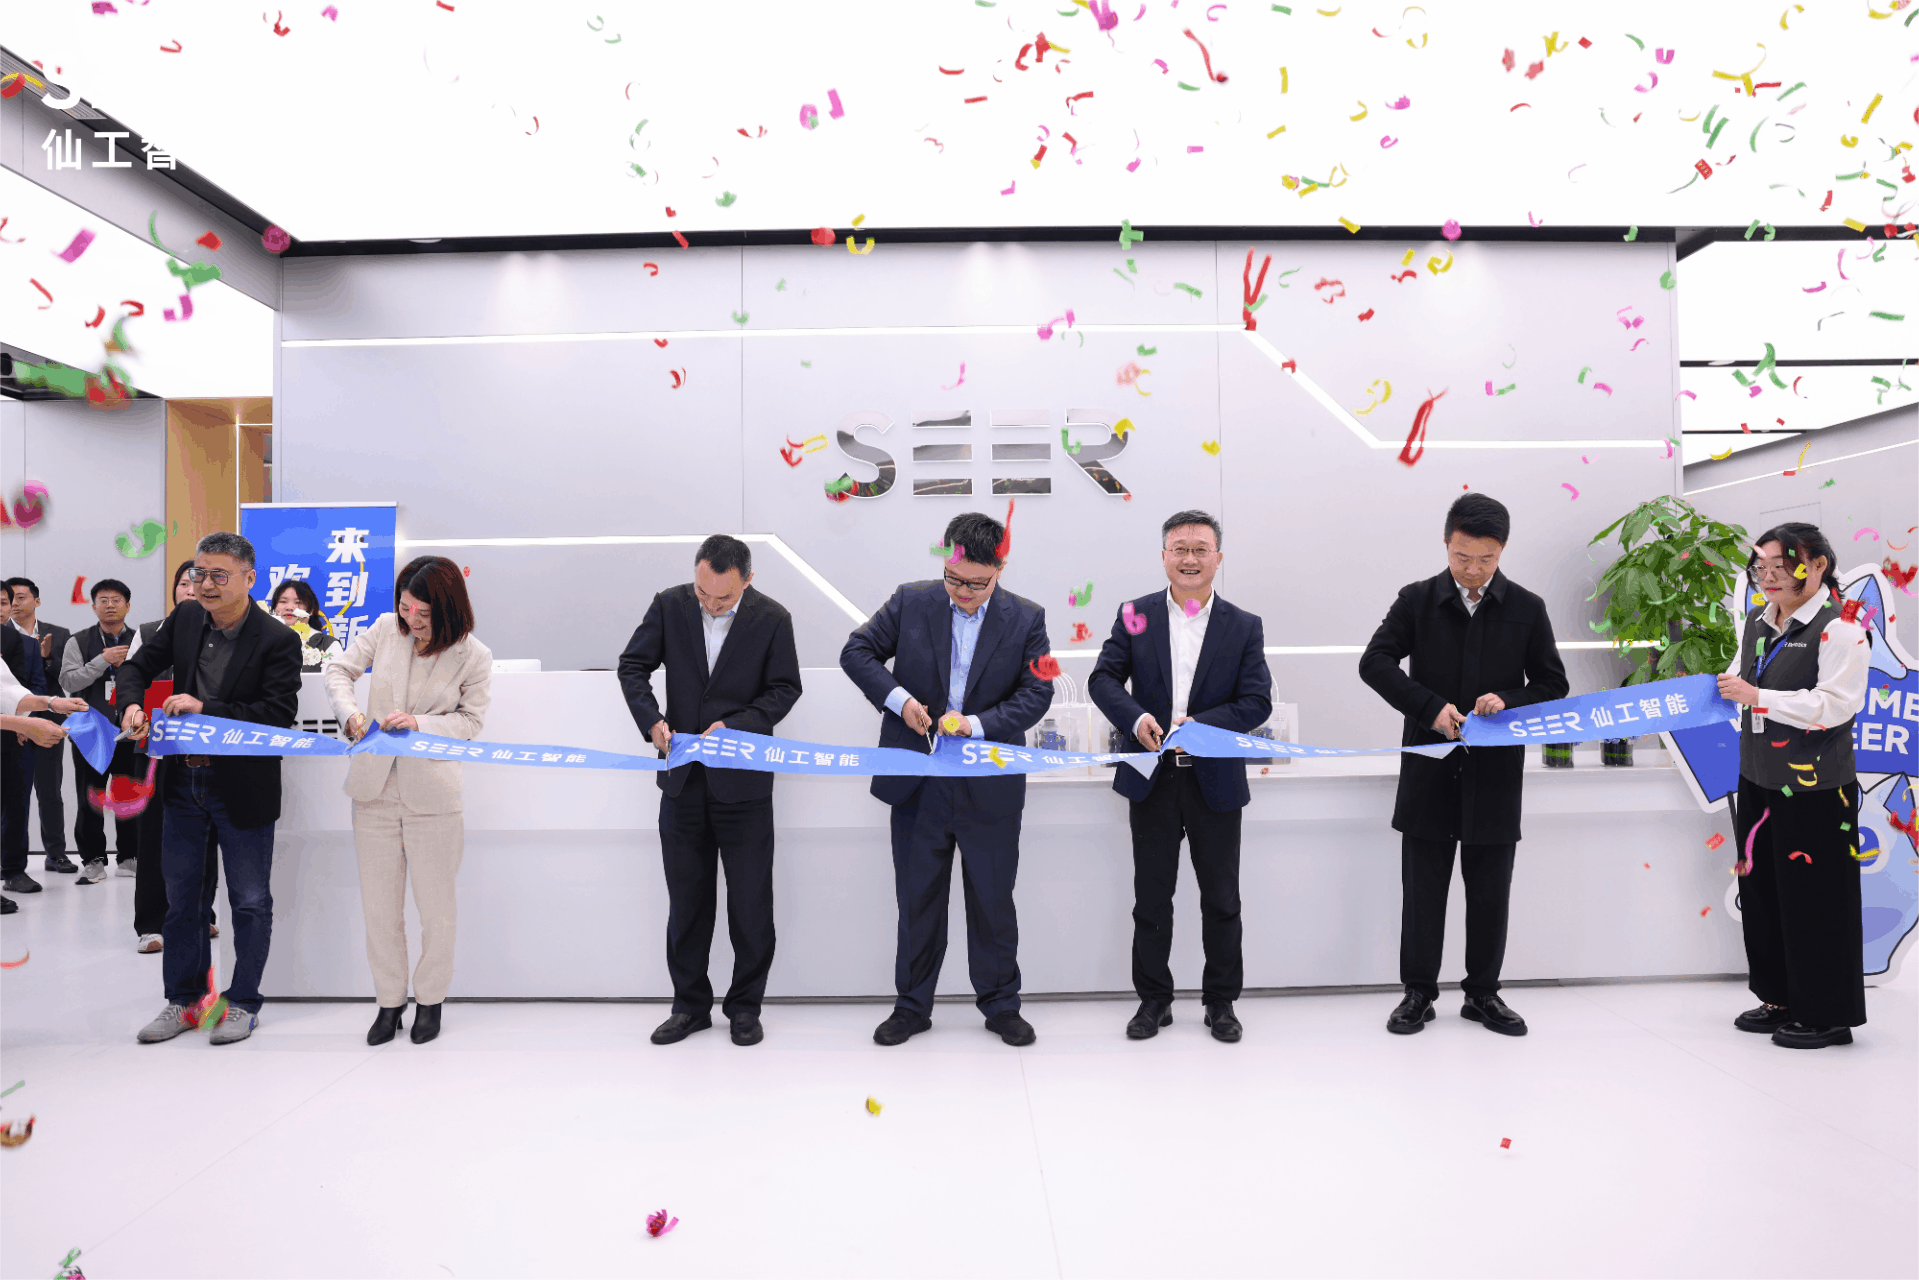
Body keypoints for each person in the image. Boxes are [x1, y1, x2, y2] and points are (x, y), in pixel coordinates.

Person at [840, 510, 1054, 1047]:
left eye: (976, 584)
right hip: (919, 778)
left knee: (992, 899)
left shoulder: (1027, 619)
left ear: (1000, 569)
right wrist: (901, 701)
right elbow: (856, 652)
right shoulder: (911, 601)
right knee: (917, 899)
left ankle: (1001, 1005)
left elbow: (1037, 694)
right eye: (953, 580)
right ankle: (912, 1006)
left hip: (989, 781)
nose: (962, 592)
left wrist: (975, 725)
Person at [1359, 493, 1568, 1038]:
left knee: (1490, 891)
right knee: (1422, 891)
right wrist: (1428, 708)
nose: (1473, 570)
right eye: (1462, 557)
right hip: (1428, 769)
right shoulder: (1417, 600)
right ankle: (1418, 993)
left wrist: (1508, 699)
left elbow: (1553, 684)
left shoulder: (1527, 607)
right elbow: (1374, 662)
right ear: (1446, 543)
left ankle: (1483, 994)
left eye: (1486, 559)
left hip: (1494, 775)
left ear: (1503, 550)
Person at [1088, 510, 1272, 1043]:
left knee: (1222, 899)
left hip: (1215, 780)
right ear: (1164, 556)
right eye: (1179, 548)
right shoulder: (1135, 615)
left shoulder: (1243, 625)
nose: (1189, 558)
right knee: (1151, 898)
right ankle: (1154, 1000)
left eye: (1200, 549)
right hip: (1153, 776)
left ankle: (1221, 1002)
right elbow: (1103, 679)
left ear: (1218, 557)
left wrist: (1205, 726)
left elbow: (1256, 700)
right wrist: (1136, 719)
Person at [116, 532, 302, 1046]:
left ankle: (242, 1002)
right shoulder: (186, 618)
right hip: (182, 781)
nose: (206, 584)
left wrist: (206, 709)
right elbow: (135, 667)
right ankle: (185, 1001)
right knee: (182, 900)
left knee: (248, 900)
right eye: (200, 573)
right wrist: (131, 704)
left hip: (241, 784)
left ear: (250, 578)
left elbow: (276, 715)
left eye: (219, 575)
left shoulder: (278, 639)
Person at [618, 535, 804, 1048]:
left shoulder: (773, 618)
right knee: (687, 904)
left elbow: (785, 688)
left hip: (743, 785)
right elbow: (632, 666)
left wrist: (738, 726)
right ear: (695, 574)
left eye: (723, 597)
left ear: (747, 580)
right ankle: (689, 1007)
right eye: (703, 593)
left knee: (750, 906)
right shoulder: (669, 605)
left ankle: (745, 1007)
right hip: (682, 783)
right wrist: (652, 721)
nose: (711, 604)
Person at [325, 557, 491, 1046]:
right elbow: (337, 670)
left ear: (448, 609)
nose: (412, 620)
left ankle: (431, 1000)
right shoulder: (384, 629)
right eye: (405, 608)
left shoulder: (473, 655)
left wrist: (421, 724)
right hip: (373, 791)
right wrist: (350, 715)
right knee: (380, 909)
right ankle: (388, 1001)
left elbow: (470, 723)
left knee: (436, 909)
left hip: (433, 796)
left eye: (424, 613)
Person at [1717, 523, 1871, 1049]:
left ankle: (1827, 1014)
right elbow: (1740, 682)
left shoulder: (1841, 628)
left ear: (1819, 565)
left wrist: (1758, 697)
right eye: (1760, 567)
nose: (1769, 577)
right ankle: (1779, 997)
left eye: (1783, 567)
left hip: (1816, 788)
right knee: (1763, 894)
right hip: (1758, 777)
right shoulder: (1758, 622)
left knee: (1817, 900)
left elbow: (1835, 705)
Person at [126, 561, 224, 953]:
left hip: (203, 748)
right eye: (185, 582)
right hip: (154, 745)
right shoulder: (150, 632)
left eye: (199, 582)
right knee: (154, 836)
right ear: (175, 591)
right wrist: (134, 709)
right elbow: (132, 676)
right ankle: (151, 924)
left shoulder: (223, 630)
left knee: (205, 835)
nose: (192, 589)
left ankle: (202, 913)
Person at [2, 591, 87, 911]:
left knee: (22, 800)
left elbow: (9, 692)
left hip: (19, 733)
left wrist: (52, 703)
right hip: (18, 728)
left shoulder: (16, 643)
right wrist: (24, 724)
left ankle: (16, 868)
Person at [60, 579, 142, 884]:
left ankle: (130, 857)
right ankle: (93, 860)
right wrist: (101, 661)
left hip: (130, 730)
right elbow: (68, 682)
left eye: (116, 600)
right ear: (94, 607)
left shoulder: (141, 640)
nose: (110, 605)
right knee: (90, 796)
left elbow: (152, 678)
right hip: (90, 731)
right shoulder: (78, 641)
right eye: (103, 600)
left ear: (127, 606)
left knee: (129, 794)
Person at [5, 577, 74, 876]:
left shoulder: (58, 634)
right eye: (10, 598)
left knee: (49, 791)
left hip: (46, 723)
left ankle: (56, 854)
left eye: (20, 597)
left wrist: (46, 659)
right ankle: (10, 861)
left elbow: (65, 677)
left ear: (37, 600)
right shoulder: (4, 636)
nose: (14, 604)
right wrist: (19, 722)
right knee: (10, 796)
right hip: (9, 725)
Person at [271, 578, 340, 672]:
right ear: (274, 608)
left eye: (298, 602)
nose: (289, 607)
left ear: (311, 610)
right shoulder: (263, 641)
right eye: (283, 601)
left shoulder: (327, 645)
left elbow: (334, 679)